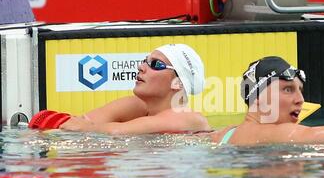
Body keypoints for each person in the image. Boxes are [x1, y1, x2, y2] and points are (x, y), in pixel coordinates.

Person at [210, 56, 324, 145]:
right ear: (258, 97)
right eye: (288, 89)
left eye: (300, 90)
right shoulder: (279, 132)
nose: (300, 100)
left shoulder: (225, 134)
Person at [60, 44, 211, 135]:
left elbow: (116, 132)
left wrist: (86, 128)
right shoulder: (138, 106)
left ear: (178, 83)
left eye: (155, 64)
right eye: (145, 60)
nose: (141, 67)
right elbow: (77, 124)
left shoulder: (189, 118)